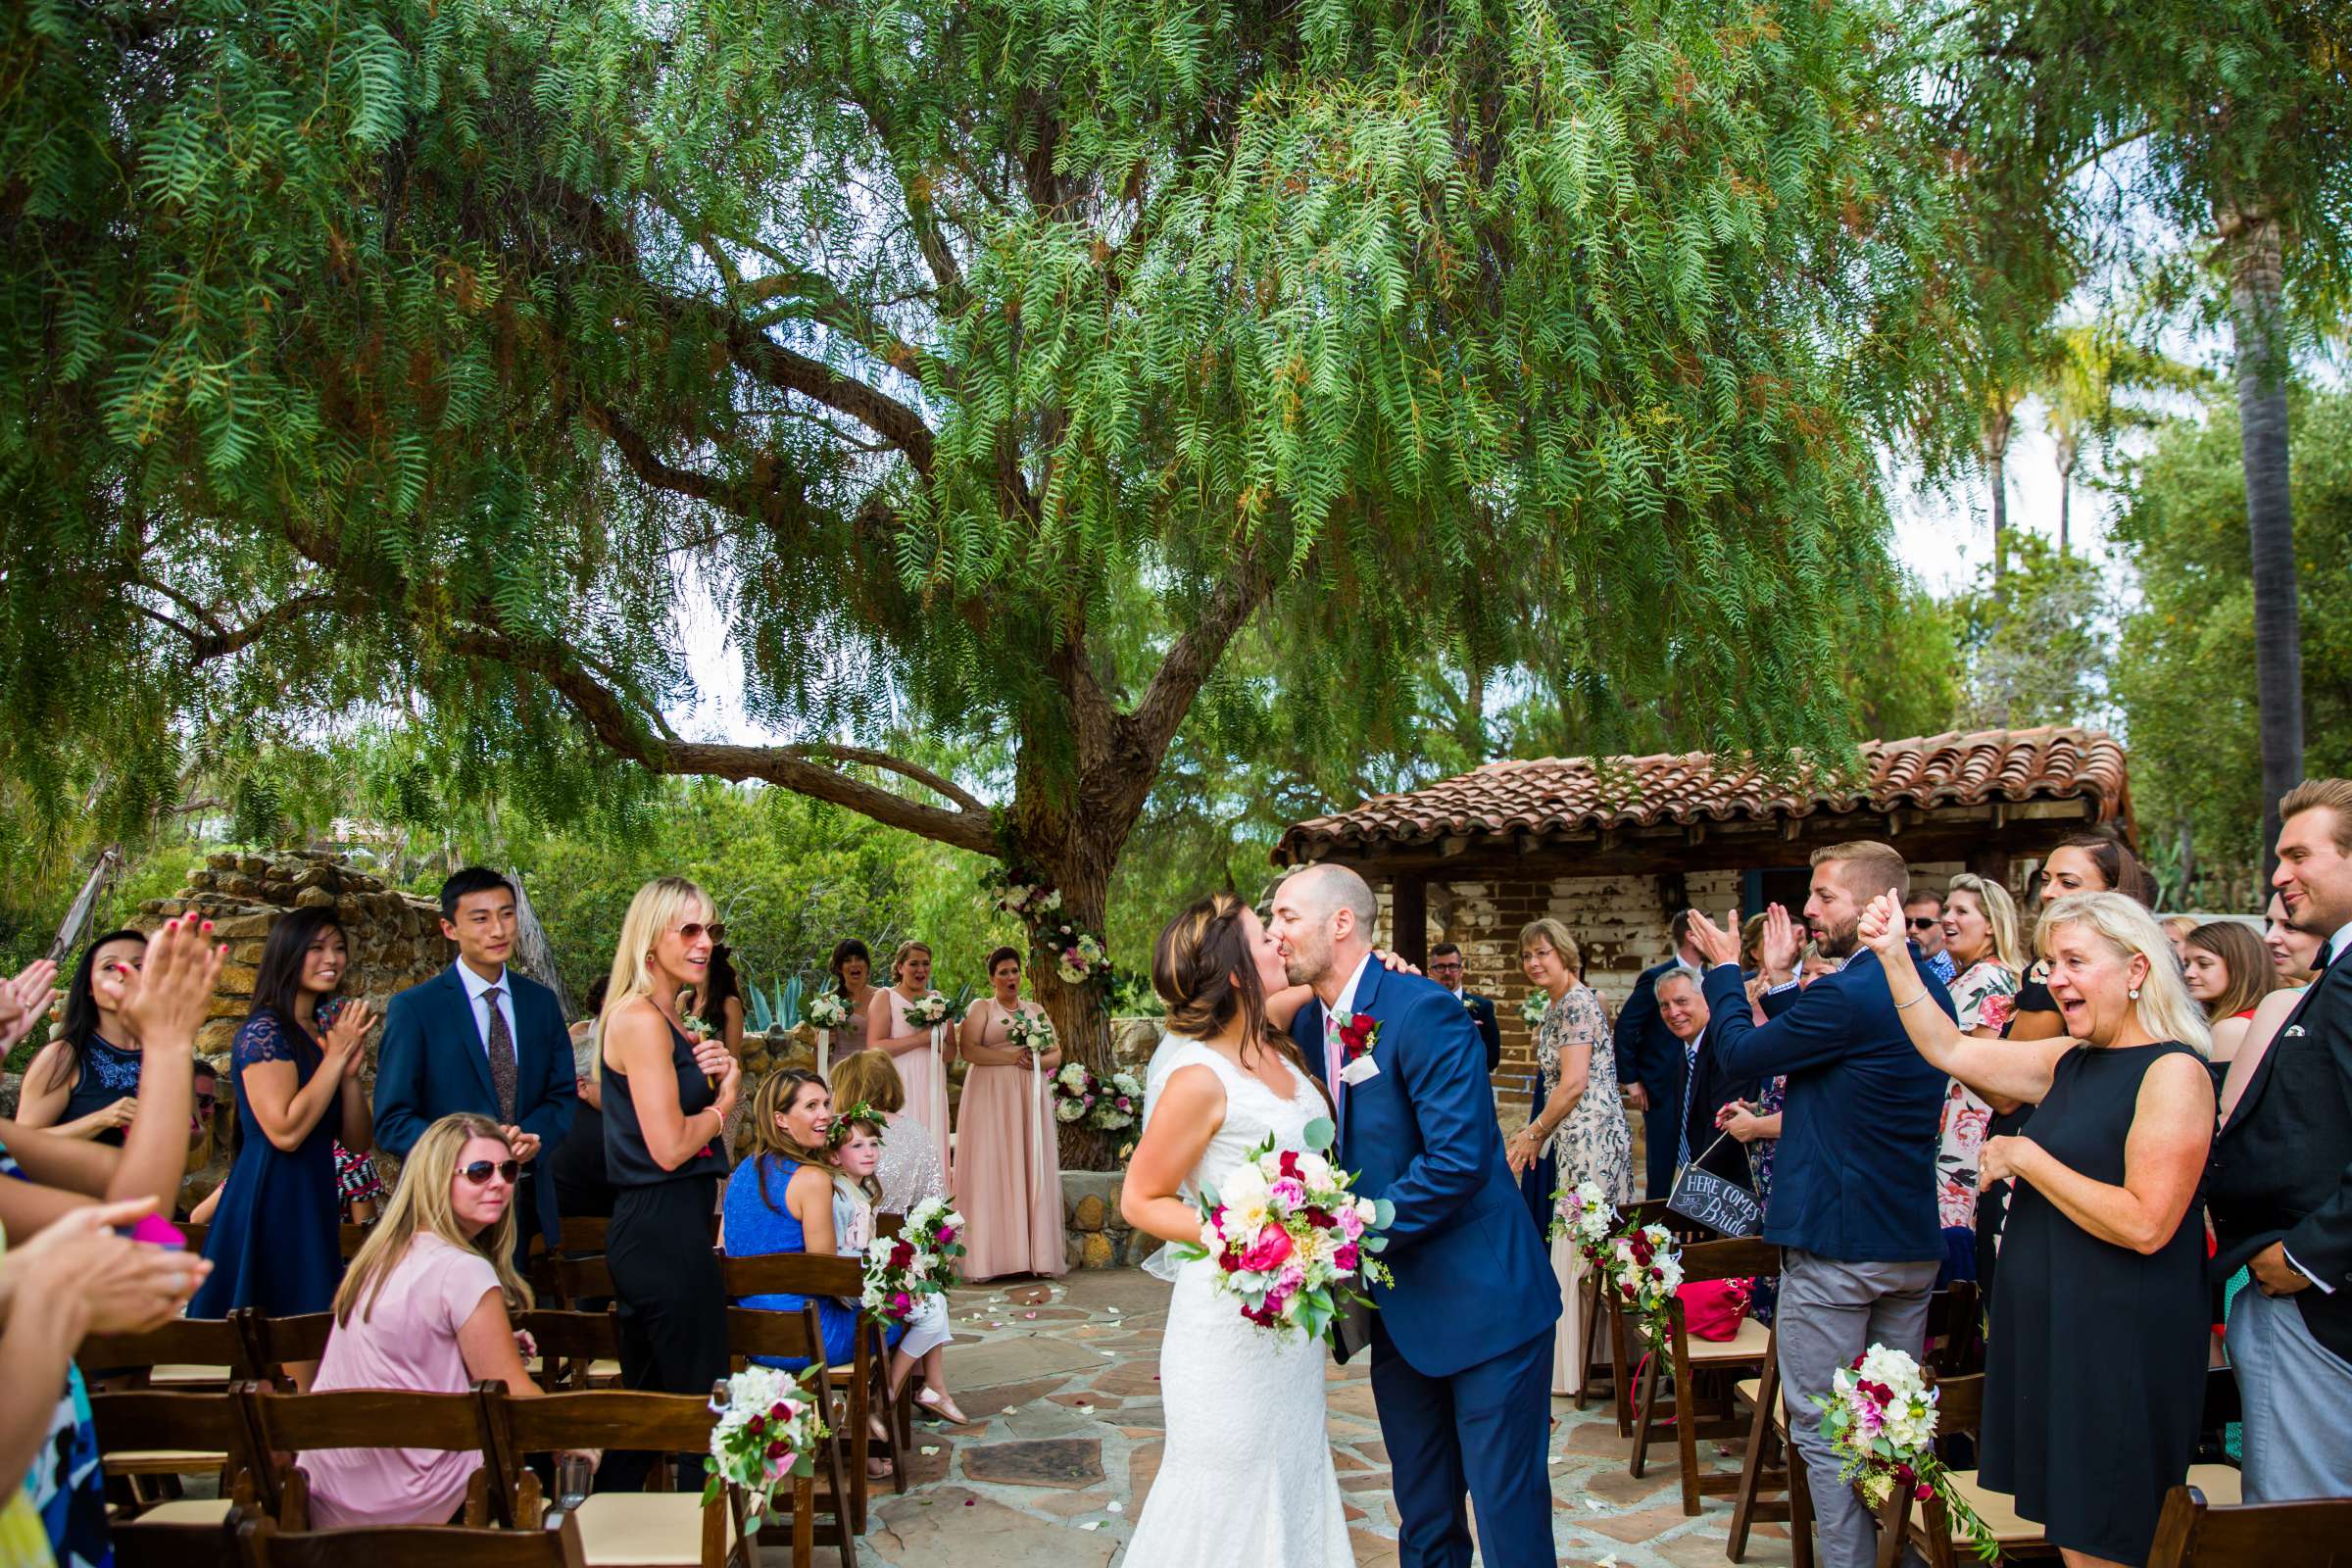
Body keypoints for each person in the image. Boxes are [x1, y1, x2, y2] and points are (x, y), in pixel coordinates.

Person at [1859, 888, 2214, 1568]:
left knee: (2105, 1536)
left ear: (2137, 971)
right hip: (2061, 1339)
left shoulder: (2173, 1071)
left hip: (2118, 1347)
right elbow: (1949, 1048)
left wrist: (2025, 1156)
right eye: (2050, 961)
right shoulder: (2071, 1060)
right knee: (2073, 1536)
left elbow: (2146, 1223)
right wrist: (1894, 957)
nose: (2054, 978)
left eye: (2075, 961)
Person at [1273, 865, 1558, 1568]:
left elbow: (1458, 1161)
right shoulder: (1311, 1021)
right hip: (1400, 1313)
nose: (1275, 933)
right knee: (1424, 1519)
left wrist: (1345, 1233)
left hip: (1486, 1307)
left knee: (1507, 1516)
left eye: (1285, 917)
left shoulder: (1422, 1010)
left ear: (1341, 923)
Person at [1684, 841, 1952, 1568]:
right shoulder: (1924, 985)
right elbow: (1822, 1025)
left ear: (1874, 906)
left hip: (1839, 1248)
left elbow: (1741, 1055)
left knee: (1825, 1430)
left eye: (1824, 896)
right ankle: (1895, 1552)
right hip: (1906, 1240)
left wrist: (1720, 975)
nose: (1808, 908)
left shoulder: (1854, 991)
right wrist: (1770, 978)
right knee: (1889, 1421)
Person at [1118, 891, 1353, 1566]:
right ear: (1233, 974)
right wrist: (1245, 1238)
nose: (1280, 940)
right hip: (1226, 1326)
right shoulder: (1198, 1076)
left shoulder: (1269, 1040)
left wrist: (1376, 966)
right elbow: (1142, 1198)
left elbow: (1330, 985)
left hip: (1286, 1325)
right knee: (1226, 1494)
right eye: (1263, 936)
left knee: (1293, 1474)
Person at [0, 917, 220, 1568]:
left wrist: (170, 1045)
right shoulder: (65, 1055)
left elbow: (142, 1201)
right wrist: (51, 1296)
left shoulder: (154, 1056)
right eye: (110, 965)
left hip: (87, 1261)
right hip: (64, 1258)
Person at [304, 1114, 569, 1527]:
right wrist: (579, 1439)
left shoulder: (384, 1254)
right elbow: (515, 1394)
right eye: (479, 1172)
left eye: (509, 1170)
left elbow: (407, 1348)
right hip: (408, 1493)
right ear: (436, 1178)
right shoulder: (463, 1270)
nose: (498, 1183)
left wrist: (482, 1344)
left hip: (333, 1488)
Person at [2210, 779, 2352, 1504]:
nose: (2278, 876)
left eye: (2299, 855)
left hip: (2321, 1307)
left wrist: (2303, 1257)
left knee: (2302, 1522)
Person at [596, 876, 739, 1493]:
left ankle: (591, 1538)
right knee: (697, 1408)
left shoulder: (669, 1017)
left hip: (669, 1225)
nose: (705, 942)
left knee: (653, 1409)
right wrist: (725, 1103)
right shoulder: (640, 1019)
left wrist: (710, 1067)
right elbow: (670, 1146)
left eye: (711, 929)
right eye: (689, 929)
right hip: (658, 1228)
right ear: (649, 940)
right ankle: (697, 1543)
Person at [1979, 833, 2152, 1298]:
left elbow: (2003, 1091)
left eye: (2068, 882)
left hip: (2054, 1153)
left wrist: (1976, 1041)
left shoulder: (2051, 976)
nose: (2050, 892)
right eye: (2047, 879)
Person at [188, 907, 373, 1344]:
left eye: (339, 948)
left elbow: (357, 1141)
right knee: (274, 1342)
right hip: (271, 1195)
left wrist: (348, 1076)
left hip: (314, 1197)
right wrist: (333, 1059)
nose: (332, 959)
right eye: (316, 948)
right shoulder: (264, 1032)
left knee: (312, 1336)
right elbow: (285, 1132)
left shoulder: (320, 1032)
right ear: (288, 954)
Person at [374, 867, 575, 1264]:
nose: (498, 930)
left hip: (526, 1206)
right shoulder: (416, 1009)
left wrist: (533, 1137)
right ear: (450, 928)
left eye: (507, 914)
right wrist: (469, 1150)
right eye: (480, 918)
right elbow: (392, 1120)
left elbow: (561, 1096)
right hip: (443, 1209)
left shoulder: (540, 1003)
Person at [1503, 918, 1631, 1396]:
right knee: (1580, 1237)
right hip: (1576, 1133)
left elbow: (1574, 1082)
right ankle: (1586, 1361)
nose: (1533, 963)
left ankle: (1581, 1366)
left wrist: (1535, 1132)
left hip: (1590, 1138)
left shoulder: (1577, 1003)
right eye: (1527, 956)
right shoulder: (1560, 1003)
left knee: (1584, 1240)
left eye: (1542, 953)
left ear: (1564, 954)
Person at [830, 1112, 963, 1426]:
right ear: (835, 1156)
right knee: (932, 1312)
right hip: (851, 1292)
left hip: (867, 1281)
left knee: (933, 1300)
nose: (868, 1151)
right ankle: (883, 1395)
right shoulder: (840, 1198)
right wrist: (890, 1277)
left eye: (873, 1144)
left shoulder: (862, 1191)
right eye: (857, 1145)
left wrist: (902, 1268)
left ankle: (889, 1393)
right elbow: (842, 1254)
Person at [1932, 873, 2027, 1284]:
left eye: (1961, 911)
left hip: (1966, 1135)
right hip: (1951, 1129)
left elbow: (1988, 1063)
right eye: (1946, 910)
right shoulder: (1968, 974)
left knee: (1957, 1256)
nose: (1947, 919)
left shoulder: (1989, 978)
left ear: (1991, 923)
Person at [954, 948, 1065, 1281]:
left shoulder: (1036, 1011)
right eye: (1003, 972)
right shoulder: (981, 1008)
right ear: (992, 978)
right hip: (990, 1095)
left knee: (1028, 1162)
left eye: (1014, 971)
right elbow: (968, 1049)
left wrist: (1033, 1062)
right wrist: (1009, 1059)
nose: (1010, 977)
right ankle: (991, 1258)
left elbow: (1056, 1053)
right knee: (993, 1162)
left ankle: (1034, 1255)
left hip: (1028, 1095)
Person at [16, 930, 150, 1145]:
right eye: (109, 967)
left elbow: (194, 1138)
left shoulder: (169, 1054)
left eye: (139, 966)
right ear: (89, 986)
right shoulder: (61, 1057)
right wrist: (101, 1119)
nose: (124, 974)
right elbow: (21, 1144)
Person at [1612, 911, 1705, 1200]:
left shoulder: (1712, 978)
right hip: (1662, 1088)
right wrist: (1631, 1080)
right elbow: (1626, 1026)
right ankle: (1656, 1230)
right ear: (1691, 935)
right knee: (1661, 1165)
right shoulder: (1654, 978)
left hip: (1702, 1086)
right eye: (1707, 930)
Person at [866, 941, 953, 1179]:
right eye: (913, 964)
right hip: (900, 1082)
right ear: (900, 967)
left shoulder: (938, 1000)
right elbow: (875, 1045)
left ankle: (934, 1208)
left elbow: (952, 1051)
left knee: (933, 1138)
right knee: (902, 1141)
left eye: (925, 964)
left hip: (933, 1083)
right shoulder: (886, 997)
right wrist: (921, 1039)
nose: (920, 970)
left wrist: (936, 1042)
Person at [829, 1049, 945, 1215]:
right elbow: (935, 1199)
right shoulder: (917, 1131)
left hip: (845, 1235)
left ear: (846, 1089)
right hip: (903, 1236)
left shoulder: (838, 1130)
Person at [548, 978, 617, 1222]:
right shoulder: (599, 1134)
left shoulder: (557, 1116)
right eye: (610, 1081)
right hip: (589, 1247)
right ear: (582, 1086)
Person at [2180, 919, 2282, 1073]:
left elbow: (2221, 1096)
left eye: (2204, 964)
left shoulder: (2232, 1029)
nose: (2189, 974)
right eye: (2187, 964)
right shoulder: (2262, 1018)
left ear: (2239, 967)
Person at [1428, 943, 1502, 1074]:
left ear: (1461, 970)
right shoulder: (1423, 1009)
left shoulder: (1483, 1008)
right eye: (1440, 967)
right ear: (1431, 972)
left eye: (1452, 966)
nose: (1447, 972)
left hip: (1471, 1087)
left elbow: (1492, 1059)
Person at [824, 940, 879, 1040]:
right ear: (840, 968)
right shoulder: (828, 1000)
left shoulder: (883, 996)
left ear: (867, 964)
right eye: (847, 960)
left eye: (859, 959)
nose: (854, 964)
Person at [1904, 891, 1958, 988]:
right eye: (1907, 923)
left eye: (1923, 923)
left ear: (1943, 925)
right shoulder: (1896, 962)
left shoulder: (1952, 969)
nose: (1912, 930)